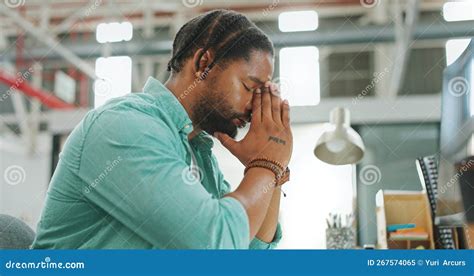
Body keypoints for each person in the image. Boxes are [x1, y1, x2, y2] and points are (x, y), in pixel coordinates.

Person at [32, 9, 293, 249]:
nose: (253, 107)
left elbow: (251, 254)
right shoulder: (125, 127)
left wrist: (274, 171)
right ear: (204, 63)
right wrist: (266, 163)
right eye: (249, 88)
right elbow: (214, 246)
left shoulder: (198, 154)